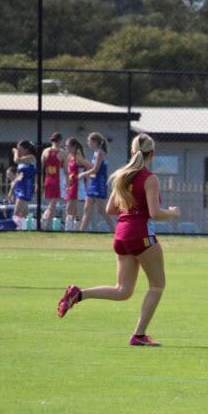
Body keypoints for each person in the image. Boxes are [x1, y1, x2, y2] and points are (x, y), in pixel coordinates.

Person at [57, 133, 181, 346]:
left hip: (121, 235)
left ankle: (79, 294)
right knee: (157, 285)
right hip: (141, 234)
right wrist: (172, 212)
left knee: (122, 291)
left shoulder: (122, 176)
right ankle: (139, 335)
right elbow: (154, 213)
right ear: (152, 154)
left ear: (132, 152)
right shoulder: (150, 178)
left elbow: (110, 209)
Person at [79, 132, 114, 232]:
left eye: (89, 141)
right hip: (93, 183)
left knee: (101, 210)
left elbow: (95, 170)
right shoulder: (96, 153)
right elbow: (92, 168)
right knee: (87, 208)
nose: (88, 143)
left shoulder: (100, 153)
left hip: (99, 183)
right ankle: (81, 231)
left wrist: (82, 174)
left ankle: (115, 229)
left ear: (95, 142)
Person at [41, 132, 68, 230]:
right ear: (60, 141)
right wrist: (68, 184)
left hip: (48, 180)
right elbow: (66, 171)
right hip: (57, 181)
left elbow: (41, 169)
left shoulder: (45, 151)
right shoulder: (63, 153)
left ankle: (45, 223)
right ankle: (45, 224)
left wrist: (38, 182)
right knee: (52, 205)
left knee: (52, 204)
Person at [64, 137, 92, 231]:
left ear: (74, 146)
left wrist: (83, 175)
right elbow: (69, 172)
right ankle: (74, 228)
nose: (66, 148)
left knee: (69, 208)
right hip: (72, 184)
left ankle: (69, 229)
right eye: (66, 146)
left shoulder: (78, 156)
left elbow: (90, 167)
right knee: (72, 208)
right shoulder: (69, 156)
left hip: (78, 185)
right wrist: (67, 185)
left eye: (68, 146)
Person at [9, 140, 38, 229]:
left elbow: (16, 160)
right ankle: (28, 229)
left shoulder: (31, 157)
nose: (18, 151)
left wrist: (15, 152)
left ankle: (18, 229)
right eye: (17, 149)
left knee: (16, 213)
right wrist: (11, 190)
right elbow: (18, 177)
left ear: (26, 149)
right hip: (19, 188)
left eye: (20, 149)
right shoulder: (22, 162)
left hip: (26, 188)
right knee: (25, 214)